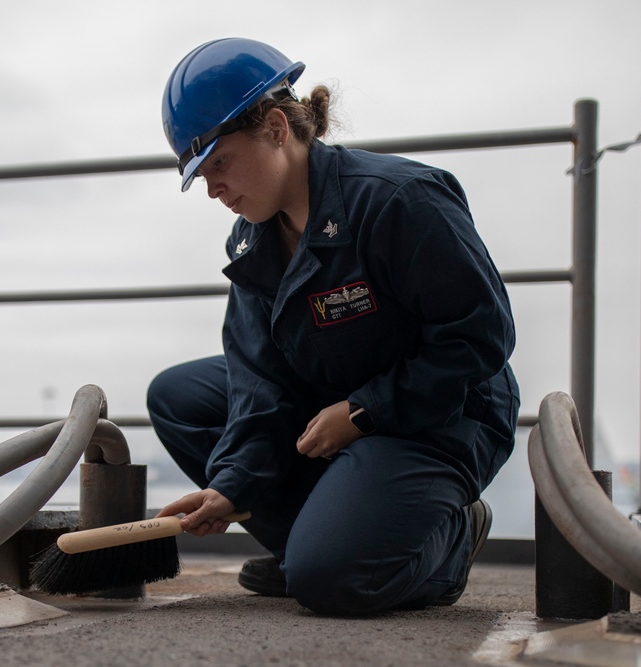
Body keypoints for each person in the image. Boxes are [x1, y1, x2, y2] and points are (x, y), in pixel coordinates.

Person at [147, 37, 520, 616]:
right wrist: (231, 485)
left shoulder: (399, 200)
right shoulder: (252, 241)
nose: (212, 187)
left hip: (440, 416)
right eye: (200, 175)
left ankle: (441, 542)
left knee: (330, 583)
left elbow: (481, 336)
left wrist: (365, 412)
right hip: (338, 404)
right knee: (179, 397)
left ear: (276, 128)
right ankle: (320, 542)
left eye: (218, 163)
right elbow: (257, 380)